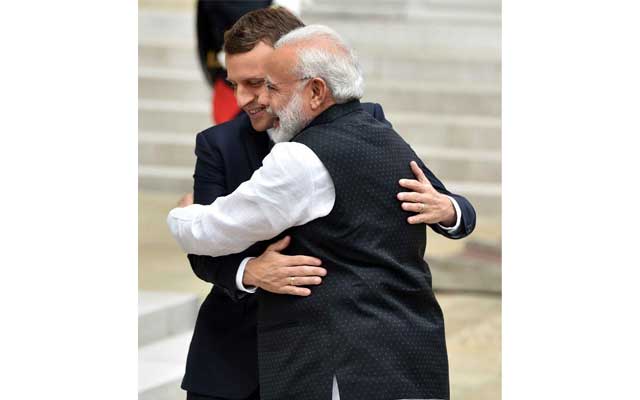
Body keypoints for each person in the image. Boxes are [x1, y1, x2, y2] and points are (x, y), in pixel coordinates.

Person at [168, 24, 476, 400]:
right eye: (235, 84)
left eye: (266, 84)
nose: (252, 98)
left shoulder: (315, 149)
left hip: (337, 360)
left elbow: (211, 229)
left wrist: (183, 215)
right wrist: (249, 271)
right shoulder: (219, 144)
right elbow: (207, 254)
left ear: (315, 90)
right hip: (244, 358)